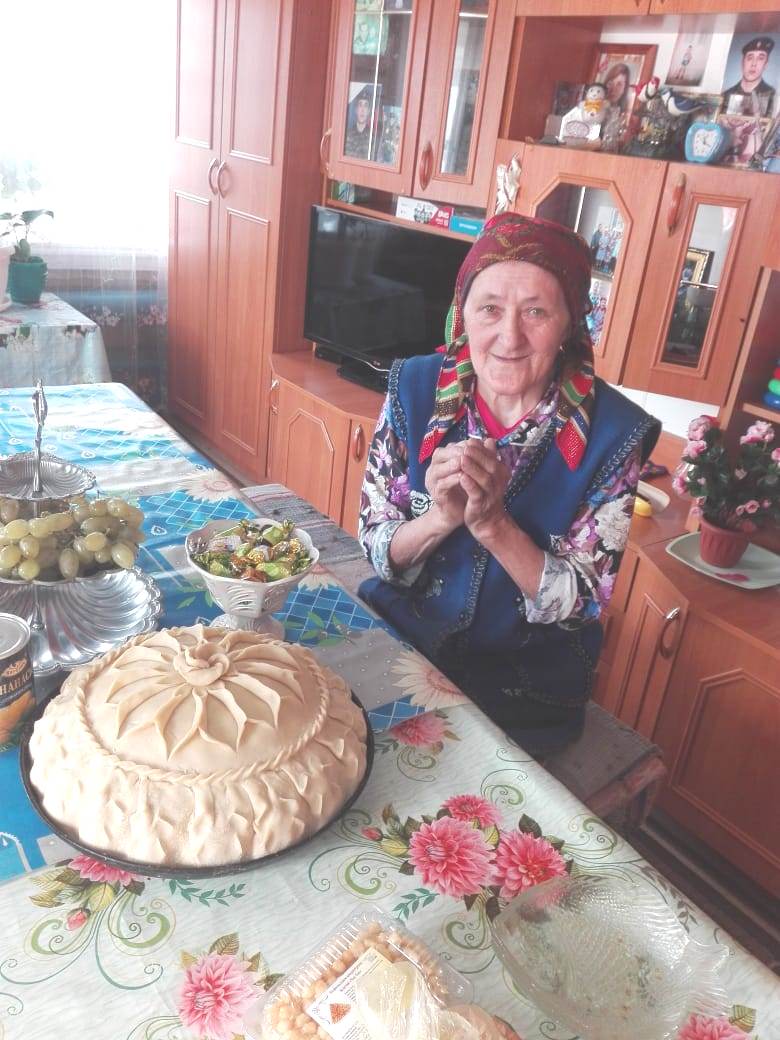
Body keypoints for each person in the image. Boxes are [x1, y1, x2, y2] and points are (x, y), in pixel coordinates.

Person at [358, 213, 660, 754]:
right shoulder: (414, 388)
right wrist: (440, 519)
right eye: (490, 308)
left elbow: (583, 603)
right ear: (463, 314)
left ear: (570, 325)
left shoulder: (612, 434)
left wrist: (495, 526)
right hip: (402, 645)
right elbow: (377, 545)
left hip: (524, 689)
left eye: (536, 311)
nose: (509, 336)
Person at [722, 37, 776, 113]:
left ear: (766, 64)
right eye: (750, 58)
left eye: (760, 58)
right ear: (742, 62)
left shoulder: (772, 95)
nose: (754, 64)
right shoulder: (726, 95)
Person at [345, 86, 374, 159]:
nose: (362, 110)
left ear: (368, 111)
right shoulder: (347, 134)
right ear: (356, 110)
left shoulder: (372, 137)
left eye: (366, 106)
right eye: (360, 105)